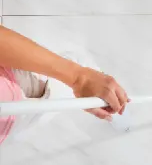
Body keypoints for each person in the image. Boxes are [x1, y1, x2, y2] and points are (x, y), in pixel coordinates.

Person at [0, 25, 130, 143]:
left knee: (58, 89)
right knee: (41, 115)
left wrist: (80, 78)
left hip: (15, 84)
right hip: (9, 123)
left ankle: (99, 83)